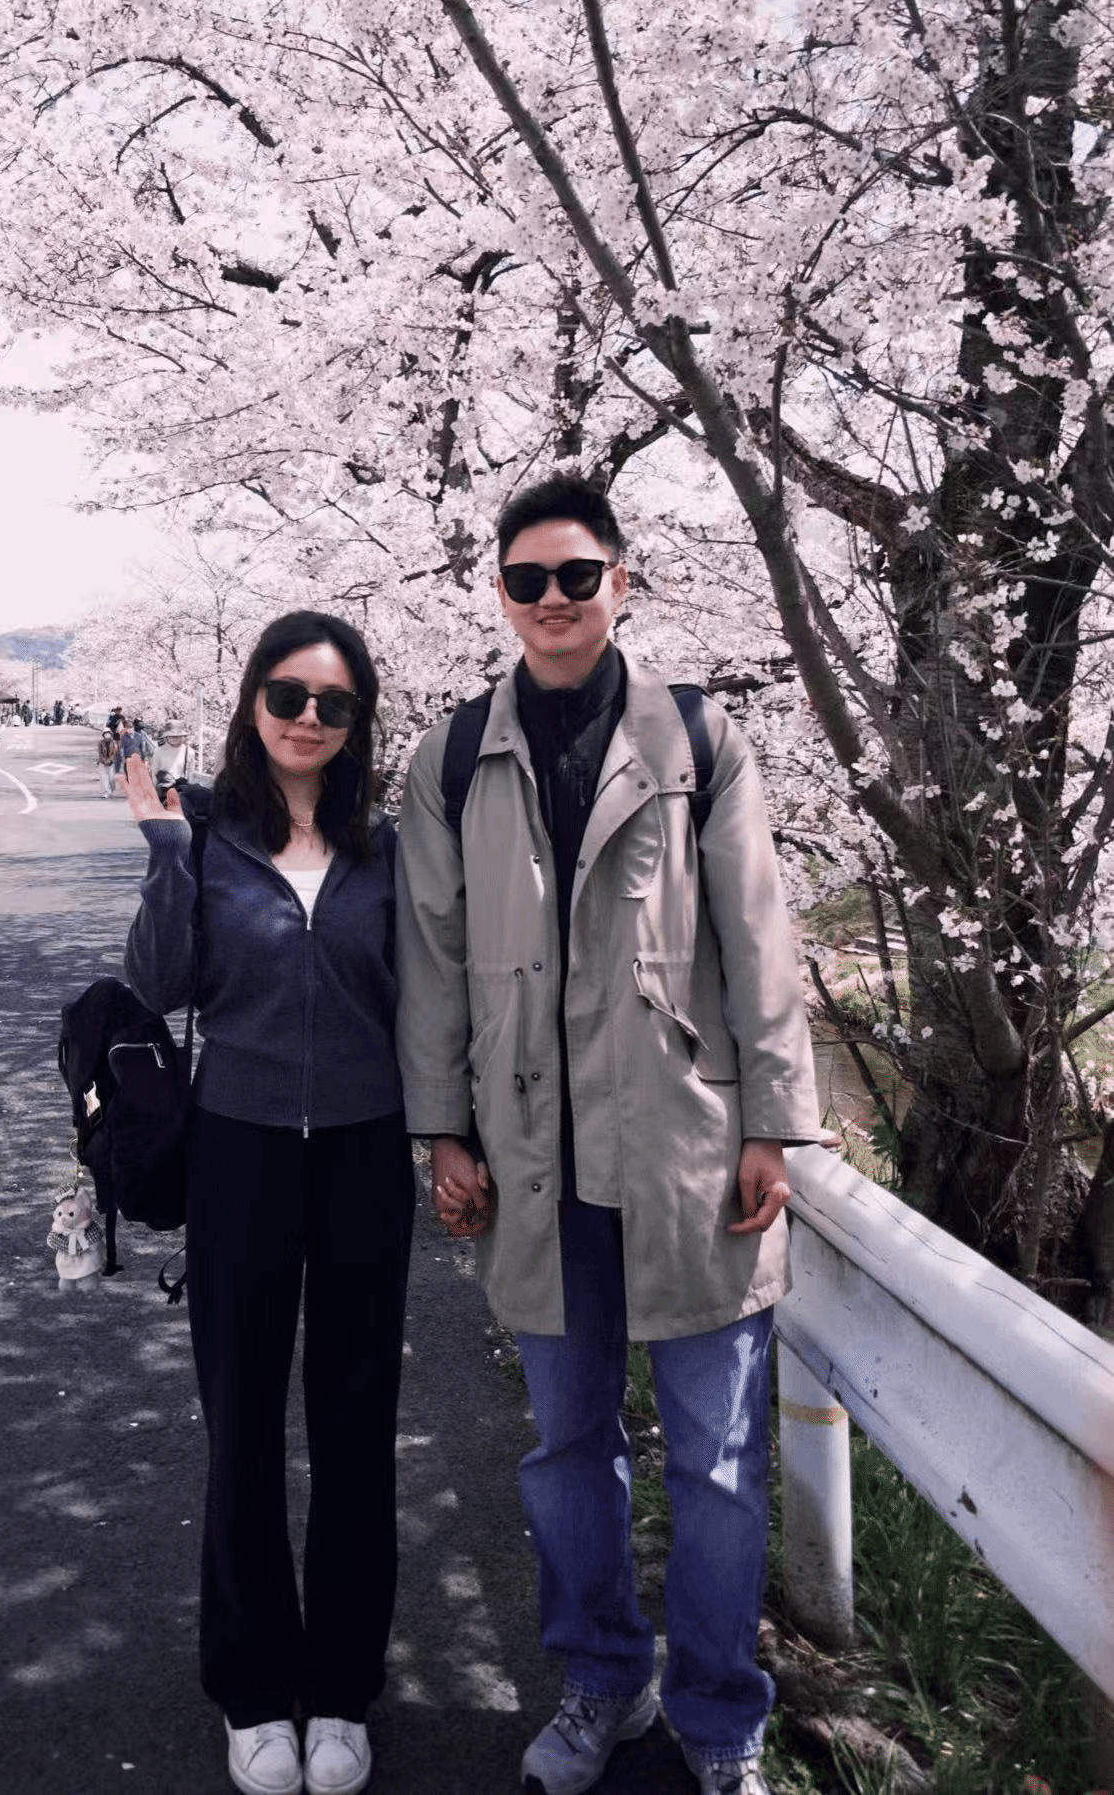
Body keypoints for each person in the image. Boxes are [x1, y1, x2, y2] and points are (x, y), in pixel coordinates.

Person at [395, 473, 822, 1795]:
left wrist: (775, 1121)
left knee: (717, 1462)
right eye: (527, 579)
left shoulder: (697, 737)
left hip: (687, 1152)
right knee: (564, 1452)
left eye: (576, 575)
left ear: (619, 583)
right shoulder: (453, 756)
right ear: (500, 595)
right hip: (531, 1160)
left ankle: (721, 1720)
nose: (553, 599)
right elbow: (432, 959)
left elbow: (759, 936)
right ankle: (600, 1678)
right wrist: (440, 1129)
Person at [122, 611, 413, 1795]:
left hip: (363, 1153)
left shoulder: (390, 849)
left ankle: (341, 1686)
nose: (307, 717)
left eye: (333, 702)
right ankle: (251, 1685)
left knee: (355, 1425)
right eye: (288, 694)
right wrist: (164, 849)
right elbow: (158, 980)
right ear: (253, 701)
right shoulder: (208, 834)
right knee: (240, 1422)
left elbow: (426, 997)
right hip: (237, 1152)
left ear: (357, 722)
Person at [96, 723, 119, 798]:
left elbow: (115, 753)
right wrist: (103, 760)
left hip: (111, 763)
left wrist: (110, 760)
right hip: (103, 763)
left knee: (111, 777)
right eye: (105, 734)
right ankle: (105, 791)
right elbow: (100, 753)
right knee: (104, 777)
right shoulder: (101, 743)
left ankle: (111, 790)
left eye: (108, 733)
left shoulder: (114, 743)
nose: (107, 735)